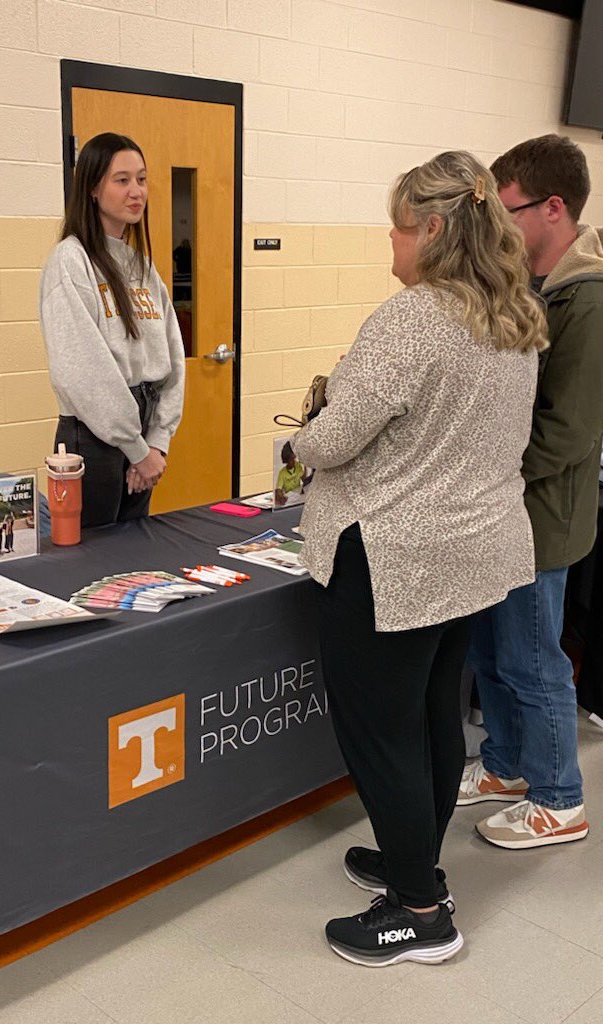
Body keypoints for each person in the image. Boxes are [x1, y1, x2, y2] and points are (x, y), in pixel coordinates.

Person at [292, 152, 547, 967]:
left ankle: (418, 911)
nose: (390, 248)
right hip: (472, 555)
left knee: (382, 733)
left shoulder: (411, 319)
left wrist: (310, 421)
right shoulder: (513, 318)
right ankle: (415, 862)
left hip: (395, 559)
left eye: (398, 230)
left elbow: (332, 442)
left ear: (434, 229)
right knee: (434, 716)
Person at [458, 135, 603, 849]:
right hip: (505, 509)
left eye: (506, 211)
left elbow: (567, 434)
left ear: (553, 208)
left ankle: (559, 798)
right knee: (492, 652)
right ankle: (507, 766)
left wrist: (488, 471)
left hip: (541, 517)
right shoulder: (537, 288)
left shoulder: (588, 299)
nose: (498, 229)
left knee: (533, 660)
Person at [40, 133, 186, 528]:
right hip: (94, 435)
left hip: (141, 431)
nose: (136, 191)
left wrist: (156, 441)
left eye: (141, 179)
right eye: (122, 180)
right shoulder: (71, 261)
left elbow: (172, 359)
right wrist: (135, 447)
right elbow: (82, 370)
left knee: (131, 556)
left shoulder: (141, 266)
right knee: (89, 564)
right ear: (92, 187)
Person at [274, 441, 306, 506]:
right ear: (287, 461)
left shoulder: (297, 465)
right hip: (289, 498)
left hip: (298, 496)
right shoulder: (282, 473)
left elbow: (303, 479)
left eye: (294, 458)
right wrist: (280, 496)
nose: (294, 461)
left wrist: (305, 467)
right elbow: (278, 489)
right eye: (291, 459)